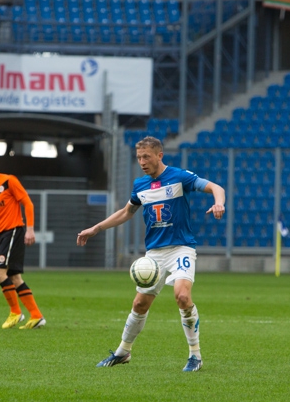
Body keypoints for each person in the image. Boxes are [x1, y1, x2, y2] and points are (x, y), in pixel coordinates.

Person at [77, 136, 226, 372]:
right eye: (138, 157)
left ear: (159, 155)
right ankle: (123, 352)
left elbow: (216, 187)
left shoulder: (179, 176)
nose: (142, 162)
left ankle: (195, 356)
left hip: (181, 247)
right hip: (154, 253)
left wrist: (219, 203)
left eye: (146, 156)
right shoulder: (140, 185)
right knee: (139, 304)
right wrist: (97, 228)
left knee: (182, 297)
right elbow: (126, 212)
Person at [0, 153, 46, 329]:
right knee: (14, 277)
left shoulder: (8, 181)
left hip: (13, 231)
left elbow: (28, 203)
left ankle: (15, 312)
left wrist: (29, 229)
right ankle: (36, 316)